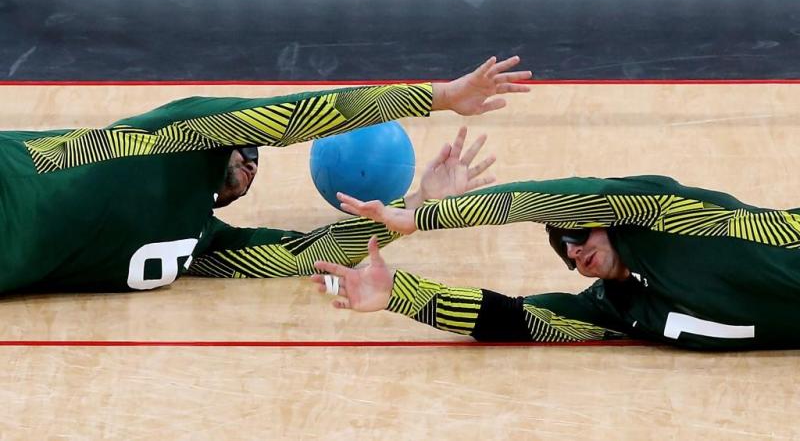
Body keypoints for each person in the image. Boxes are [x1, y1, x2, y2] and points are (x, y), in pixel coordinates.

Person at [0, 57, 531, 293]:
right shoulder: (178, 136)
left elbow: (307, 253)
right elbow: (300, 114)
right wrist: (437, 96)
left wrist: (417, 208)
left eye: (257, 160)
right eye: (248, 148)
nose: (253, 161)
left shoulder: (202, 243)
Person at [312, 170, 800, 350]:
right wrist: (402, 294)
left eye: (577, 233)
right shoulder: (616, 309)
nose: (573, 250)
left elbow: (545, 199)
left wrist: (428, 216)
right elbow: (517, 319)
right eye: (562, 248)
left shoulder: (663, 214)